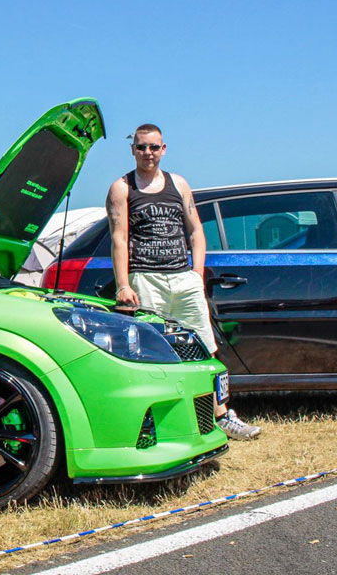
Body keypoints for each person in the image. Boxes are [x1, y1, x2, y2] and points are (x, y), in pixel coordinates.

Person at [106, 123, 261, 440]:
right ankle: (163, 425)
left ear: (163, 149)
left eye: (154, 147)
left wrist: (196, 272)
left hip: (182, 278)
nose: (148, 153)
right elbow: (119, 239)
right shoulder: (122, 188)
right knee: (153, 353)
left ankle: (222, 415)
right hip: (146, 279)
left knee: (206, 349)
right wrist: (124, 284)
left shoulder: (178, 185)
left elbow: (196, 232)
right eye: (141, 147)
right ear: (132, 150)